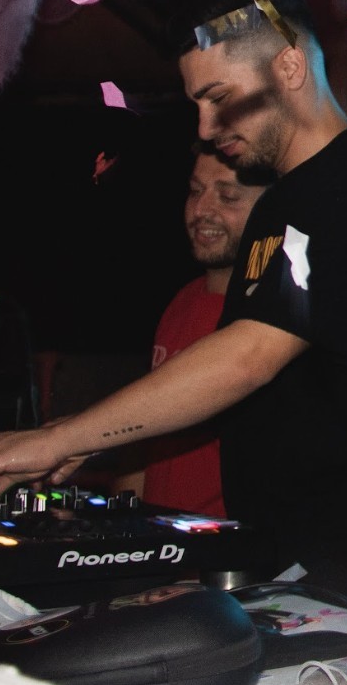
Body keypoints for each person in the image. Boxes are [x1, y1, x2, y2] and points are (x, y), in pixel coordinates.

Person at [0, 0, 347, 627]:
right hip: (309, 555)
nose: (206, 128)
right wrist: (82, 450)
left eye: (219, 98)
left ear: (289, 66)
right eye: (196, 105)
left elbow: (245, 358)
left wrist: (56, 436)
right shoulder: (299, 194)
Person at [114, 144, 270, 516]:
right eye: (196, 190)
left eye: (228, 196)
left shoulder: (272, 320)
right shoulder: (181, 300)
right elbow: (148, 443)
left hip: (230, 562)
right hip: (166, 556)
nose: (202, 210)